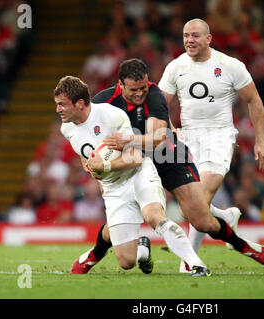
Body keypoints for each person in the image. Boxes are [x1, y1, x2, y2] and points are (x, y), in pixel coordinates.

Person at [92, 58, 264, 273]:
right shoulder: (102, 103)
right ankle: (137, 248)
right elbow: (92, 140)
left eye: (143, 87)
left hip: (168, 157)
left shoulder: (155, 95)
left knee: (201, 220)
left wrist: (127, 140)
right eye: (134, 90)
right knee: (132, 223)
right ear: (120, 85)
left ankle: (240, 244)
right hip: (132, 163)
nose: (140, 94)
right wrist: (100, 168)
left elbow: (158, 138)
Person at [54, 75, 210, 276]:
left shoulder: (112, 115)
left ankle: (196, 264)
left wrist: (106, 166)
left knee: (154, 216)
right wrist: (89, 166)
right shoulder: (66, 128)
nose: (58, 109)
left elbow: (135, 158)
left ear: (80, 103)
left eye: (62, 104)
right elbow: (88, 154)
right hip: (114, 188)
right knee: (127, 261)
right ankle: (142, 247)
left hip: (138, 173)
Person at [157, 19, 264, 270]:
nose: (189, 40)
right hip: (188, 139)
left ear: (209, 39)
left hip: (219, 137)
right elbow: (159, 105)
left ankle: (189, 262)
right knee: (190, 210)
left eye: (195, 35)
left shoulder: (230, 65)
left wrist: (260, 140)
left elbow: (253, 100)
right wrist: (171, 129)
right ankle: (226, 216)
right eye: (186, 35)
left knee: (198, 198)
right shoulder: (176, 67)